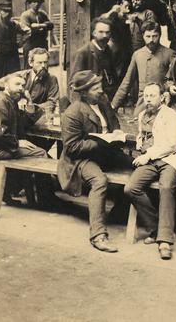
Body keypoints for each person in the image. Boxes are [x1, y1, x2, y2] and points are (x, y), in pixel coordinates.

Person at [58, 70, 134, 253]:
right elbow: (72, 147)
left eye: (100, 86)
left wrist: (115, 134)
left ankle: (120, 212)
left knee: (137, 166)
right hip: (81, 160)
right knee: (99, 181)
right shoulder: (73, 113)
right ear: (84, 92)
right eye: (95, 88)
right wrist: (99, 141)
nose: (100, 90)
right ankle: (98, 235)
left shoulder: (103, 101)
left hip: (105, 152)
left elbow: (114, 123)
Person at [125, 83, 176, 260]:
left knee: (166, 187)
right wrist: (140, 144)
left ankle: (165, 241)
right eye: (146, 96)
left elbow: (173, 144)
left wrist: (148, 155)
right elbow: (142, 135)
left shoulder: (171, 116)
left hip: (170, 159)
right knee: (131, 188)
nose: (148, 99)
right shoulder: (143, 115)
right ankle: (155, 226)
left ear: (162, 97)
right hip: (150, 160)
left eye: (152, 96)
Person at [0, 73, 47, 203]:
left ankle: (14, 193)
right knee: (41, 153)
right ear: (6, 85)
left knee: (35, 150)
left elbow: (23, 123)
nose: (21, 88)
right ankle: (45, 199)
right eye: (17, 84)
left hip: (2, 145)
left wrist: (30, 103)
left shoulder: (11, 101)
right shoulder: (0, 101)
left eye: (23, 85)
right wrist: (18, 142)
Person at [111, 21, 176, 115]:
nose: (151, 40)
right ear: (143, 36)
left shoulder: (170, 54)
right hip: (143, 103)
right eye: (148, 36)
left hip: (162, 102)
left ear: (160, 36)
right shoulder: (137, 54)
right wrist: (113, 105)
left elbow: (174, 79)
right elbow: (127, 82)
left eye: (155, 36)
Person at [0, 47, 59, 115]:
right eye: (39, 62)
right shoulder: (19, 76)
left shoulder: (51, 79)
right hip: (15, 115)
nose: (43, 66)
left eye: (45, 62)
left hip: (35, 117)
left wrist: (32, 107)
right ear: (30, 63)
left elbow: (52, 102)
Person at [71, 17, 119, 101]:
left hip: (106, 99)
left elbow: (113, 76)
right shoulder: (83, 52)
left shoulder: (108, 50)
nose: (105, 36)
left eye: (107, 32)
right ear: (94, 33)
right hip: (90, 100)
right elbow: (74, 82)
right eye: (101, 32)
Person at [20, 0, 53, 67]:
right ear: (30, 4)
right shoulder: (25, 15)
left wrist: (37, 25)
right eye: (34, 2)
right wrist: (43, 25)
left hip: (42, 42)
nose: (37, 4)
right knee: (29, 64)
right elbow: (27, 27)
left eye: (38, 2)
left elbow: (50, 25)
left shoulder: (43, 14)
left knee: (43, 64)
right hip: (30, 42)